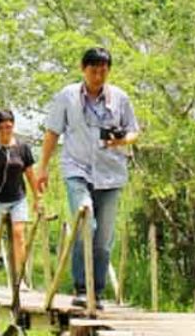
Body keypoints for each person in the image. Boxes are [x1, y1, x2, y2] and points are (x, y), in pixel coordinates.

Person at [38, 47, 139, 310]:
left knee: (104, 237)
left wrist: (121, 140)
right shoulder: (67, 96)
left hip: (111, 173)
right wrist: (43, 168)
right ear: (83, 69)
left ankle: (98, 291)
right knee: (86, 223)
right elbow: (52, 132)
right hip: (77, 169)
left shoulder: (120, 98)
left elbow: (134, 132)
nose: (98, 76)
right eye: (93, 70)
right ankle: (82, 287)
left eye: (103, 70)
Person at [0, 109, 40, 281]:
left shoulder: (22, 148)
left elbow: (30, 174)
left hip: (17, 198)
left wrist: (37, 198)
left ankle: (20, 279)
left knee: (19, 235)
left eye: (8, 127)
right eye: (0, 128)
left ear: (13, 126)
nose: (5, 131)